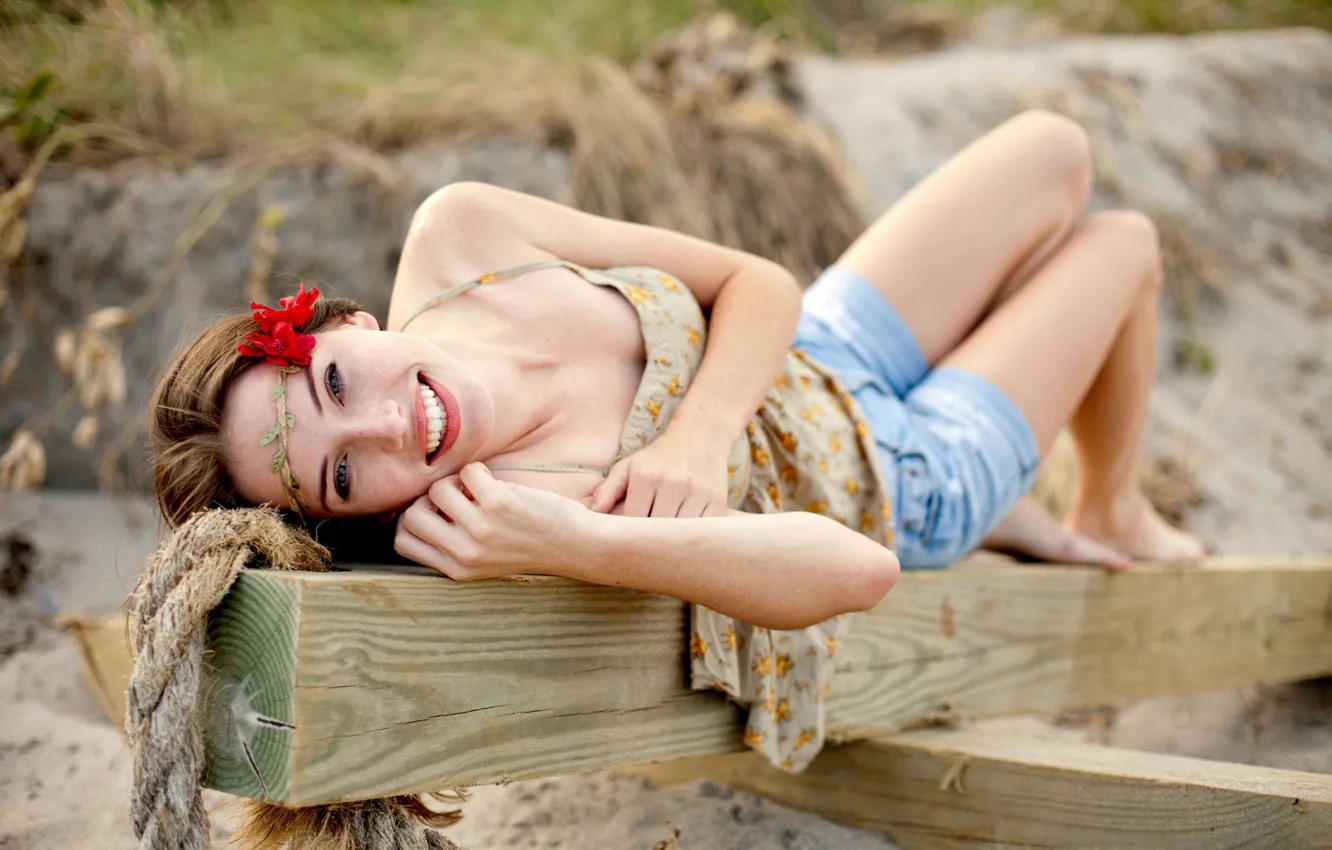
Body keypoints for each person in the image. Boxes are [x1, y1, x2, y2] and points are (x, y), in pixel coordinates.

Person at [149, 109, 1204, 634]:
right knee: (1123, 248)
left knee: (1055, 148)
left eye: (335, 384)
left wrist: (699, 435)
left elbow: (756, 280)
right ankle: (1100, 508)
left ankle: (1073, 499)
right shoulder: (508, 506)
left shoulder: (463, 232)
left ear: (350, 322)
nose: (388, 428)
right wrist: (589, 540)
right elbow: (857, 572)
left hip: (813, 351)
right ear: (355, 513)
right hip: (896, 475)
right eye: (341, 477)